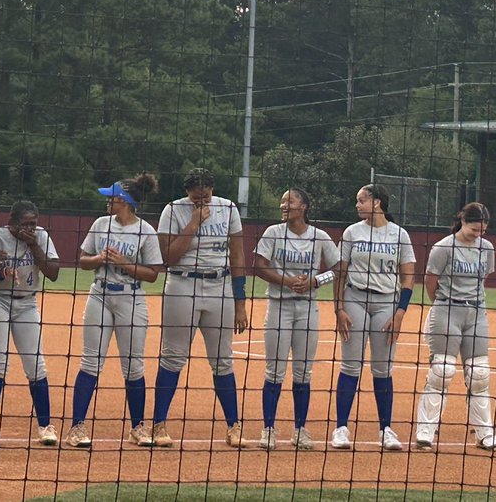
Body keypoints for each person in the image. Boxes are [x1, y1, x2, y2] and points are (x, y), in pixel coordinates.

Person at [145, 168, 249, 448]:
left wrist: (240, 302)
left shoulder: (228, 208)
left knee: (223, 360)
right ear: (187, 191)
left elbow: (238, 255)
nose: (201, 199)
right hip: (182, 285)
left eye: (205, 194)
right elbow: (168, 257)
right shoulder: (173, 210)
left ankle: (233, 426)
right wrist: (192, 223)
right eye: (195, 195)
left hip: (220, 287)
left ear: (212, 189)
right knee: (172, 357)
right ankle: (158, 424)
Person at [66, 174, 164, 448]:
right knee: (90, 362)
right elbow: (83, 261)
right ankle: (76, 428)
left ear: (126, 201)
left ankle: (137, 428)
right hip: (100, 294)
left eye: (113, 197)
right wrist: (98, 259)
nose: (108, 201)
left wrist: (124, 264)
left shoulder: (146, 231)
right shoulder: (100, 224)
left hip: (131, 299)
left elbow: (153, 274)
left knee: (133, 365)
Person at [413, 202, 496, 451]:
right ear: (462, 221)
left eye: (482, 230)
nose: (478, 234)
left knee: (479, 373)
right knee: (442, 370)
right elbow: (430, 281)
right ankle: (425, 430)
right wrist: (444, 305)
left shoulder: (486, 248)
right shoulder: (443, 248)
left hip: (475, 312)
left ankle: (484, 433)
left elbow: (482, 278)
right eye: (474, 229)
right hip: (446, 310)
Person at [331, 182, 417, 452]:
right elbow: (340, 272)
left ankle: (386, 429)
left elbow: (408, 277)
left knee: (383, 368)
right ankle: (341, 428)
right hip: (355, 298)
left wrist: (401, 312)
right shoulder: (351, 232)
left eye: (361, 200)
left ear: (377, 202)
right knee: (350, 366)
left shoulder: (399, 234)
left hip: (386, 303)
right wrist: (338, 308)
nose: (357, 205)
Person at [253, 187, 340, 451]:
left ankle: (300, 429)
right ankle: (268, 428)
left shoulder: (320, 236)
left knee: (303, 371)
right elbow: (259, 265)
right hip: (279, 306)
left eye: (289, 201)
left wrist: (315, 281)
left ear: (304, 206)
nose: (284, 205)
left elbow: (338, 268)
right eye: (282, 202)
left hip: (308, 308)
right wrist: (287, 281)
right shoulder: (273, 232)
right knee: (274, 370)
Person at [0, 199, 61, 446]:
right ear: (12, 223)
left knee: (36, 365)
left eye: (33, 224)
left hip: (27, 303)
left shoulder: (41, 237)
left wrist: (35, 245)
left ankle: (46, 426)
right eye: (25, 224)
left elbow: (54, 273)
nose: (30, 228)